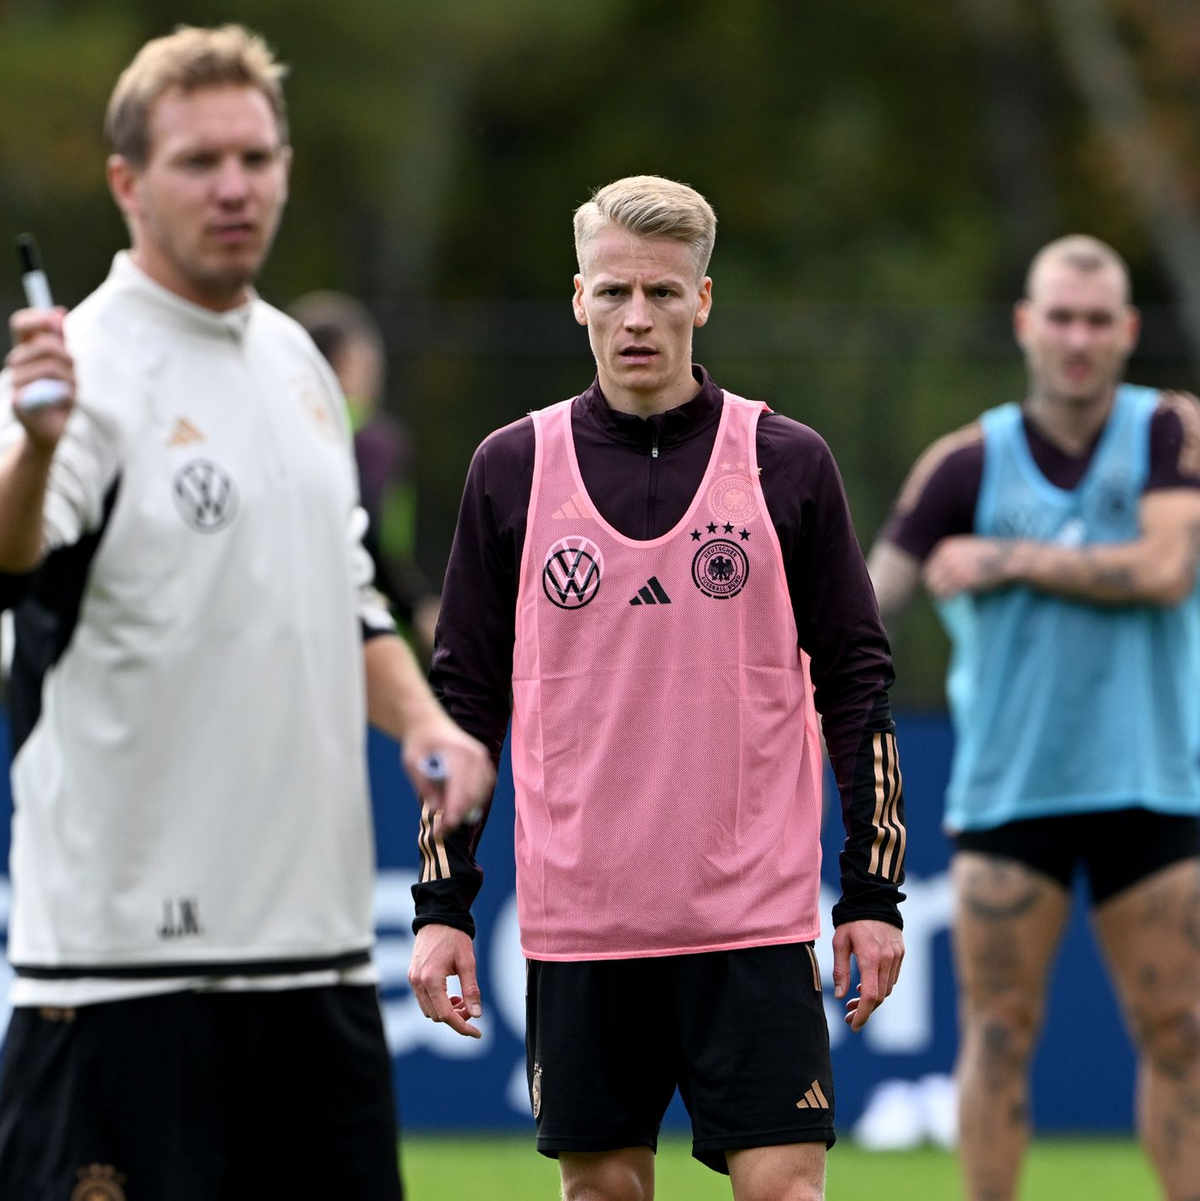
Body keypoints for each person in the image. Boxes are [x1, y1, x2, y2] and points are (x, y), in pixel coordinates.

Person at [0, 24, 493, 1200]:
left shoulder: (297, 366)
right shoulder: (83, 374)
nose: (236, 187)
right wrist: (32, 445)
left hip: (316, 962)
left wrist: (425, 724)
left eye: (258, 157)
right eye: (199, 161)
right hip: (121, 974)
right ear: (128, 183)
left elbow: (351, 591)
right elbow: (9, 554)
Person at [407, 175, 907, 1201]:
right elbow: (461, 701)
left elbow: (858, 682)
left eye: (664, 294)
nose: (639, 317)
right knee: (605, 1195)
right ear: (578, 297)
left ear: (704, 300)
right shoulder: (512, 467)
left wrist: (871, 891)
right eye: (615, 292)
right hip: (585, 918)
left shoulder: (786, 463)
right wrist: (440, 903)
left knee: (786, 1189)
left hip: (755, 920)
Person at [867, 234, 1200, 1201]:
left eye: (1099, 319)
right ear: (1026, 325)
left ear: (1130, 331)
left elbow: (1163, 569)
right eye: (1061, 316)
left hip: (1152, 775)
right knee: (999, 1030)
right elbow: (863, 604)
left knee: (1179, 1028)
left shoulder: (1170, 434)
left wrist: (1009, 560)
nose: (1079, 338)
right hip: (1014, 784)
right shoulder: (965, 465)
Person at [289, 291, 441, 659]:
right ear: (344, 363)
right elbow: (369, 533)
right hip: (368, 637)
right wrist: (417, 605)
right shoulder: (375, 440)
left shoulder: (278, 429)